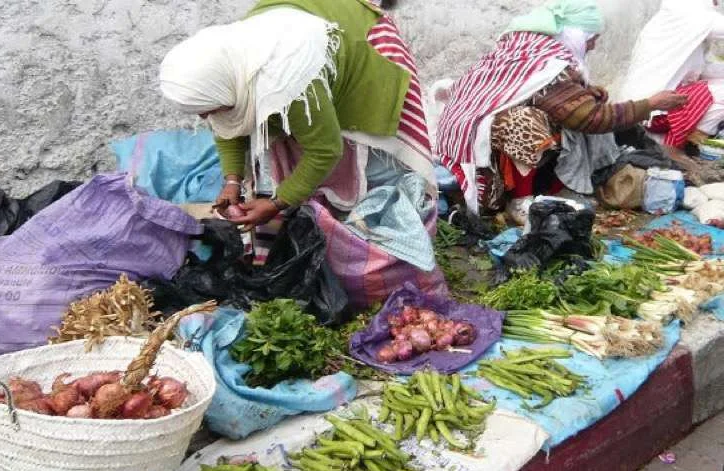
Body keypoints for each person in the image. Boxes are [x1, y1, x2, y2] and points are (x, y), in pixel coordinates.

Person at [159, 0, 446, 307]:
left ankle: (386, 268)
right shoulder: (229, 66)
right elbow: (227, 125)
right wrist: (232, 182)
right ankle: (331, 244)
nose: (205, 119)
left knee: (375, 177)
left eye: (207, 109)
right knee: (297, 162)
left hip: (363, 43)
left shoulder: (289, 79)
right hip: (306, 28)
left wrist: (278, 203)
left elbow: (325, 149)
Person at [435, 0, 687, 218]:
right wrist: (650, 104)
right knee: (525, 122)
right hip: (481, 161)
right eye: (591, 40)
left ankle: (551, 189)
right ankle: (519, 200)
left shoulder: (526, 51)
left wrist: (586, 92)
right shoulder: (547, 64)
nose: (593, 47)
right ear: (575, 35)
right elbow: (589, 118)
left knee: (547, 118)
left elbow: (555, 97)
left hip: (465, 141)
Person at [621, 0, 724, 148]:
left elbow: (704, 69)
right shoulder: (685, 11)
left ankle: (683, 138)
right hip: (650, 111)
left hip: (653, 110)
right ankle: (693, 140)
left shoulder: (681, 14)